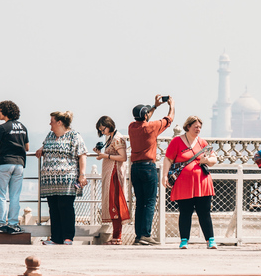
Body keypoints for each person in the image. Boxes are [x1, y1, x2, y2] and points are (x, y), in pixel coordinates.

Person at [162, 116, 218, 249]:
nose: (198, 129)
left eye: (199, 127)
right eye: (195, 127)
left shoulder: (202, 142)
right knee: (185, 212)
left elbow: (214, 158)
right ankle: (184, 240)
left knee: (204, 212)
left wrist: (207, 161)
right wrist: (164, 175)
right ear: (188, 127)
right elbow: (168, 159)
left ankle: (210, 240)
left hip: (202, 182)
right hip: (183, 183)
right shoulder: (177, 141)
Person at [35, 111, 88, 245]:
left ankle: (68, 237)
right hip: (50, 181)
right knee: (53, 208)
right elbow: (47, 144)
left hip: (67, 179)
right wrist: (42, 149)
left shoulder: (74, 136)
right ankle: (55, 238)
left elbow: (82, 154)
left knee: (65, 207)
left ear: (59, 122)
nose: (50, 124)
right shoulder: (50, 135)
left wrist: (82, 174)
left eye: (52, 121)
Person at [129, 95, 175, 245]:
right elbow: (169, 119)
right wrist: (171, 105)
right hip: (148, 167)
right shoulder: (151, 127)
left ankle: (138, 236)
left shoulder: (132, 127)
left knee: (140, 201)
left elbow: (144, 118)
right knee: (149, 202)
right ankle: (146, 234)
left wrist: (154, 107)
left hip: (135, 168)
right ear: (146, 115)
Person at [0, 101, 29, 234]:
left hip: (4, 164)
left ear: (5, 112)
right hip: (19, 164)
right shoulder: (23, 127)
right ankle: (13, 224)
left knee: (0, 195)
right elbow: (27, 147)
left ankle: (1, 223)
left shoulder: (2, 128)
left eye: (0, 111)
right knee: (15, 196)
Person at [93, 116, 130, 245]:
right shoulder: (110, 138)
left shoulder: (117, 138)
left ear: (109, 126)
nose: (102, 132)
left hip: (114, 174)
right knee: (112, 204)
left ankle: (117, 237)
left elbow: (123, 157)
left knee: (115, 204)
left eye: (103, 129)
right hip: (110, 174)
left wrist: (105, 155)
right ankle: (116, 236)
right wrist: (101, 152)